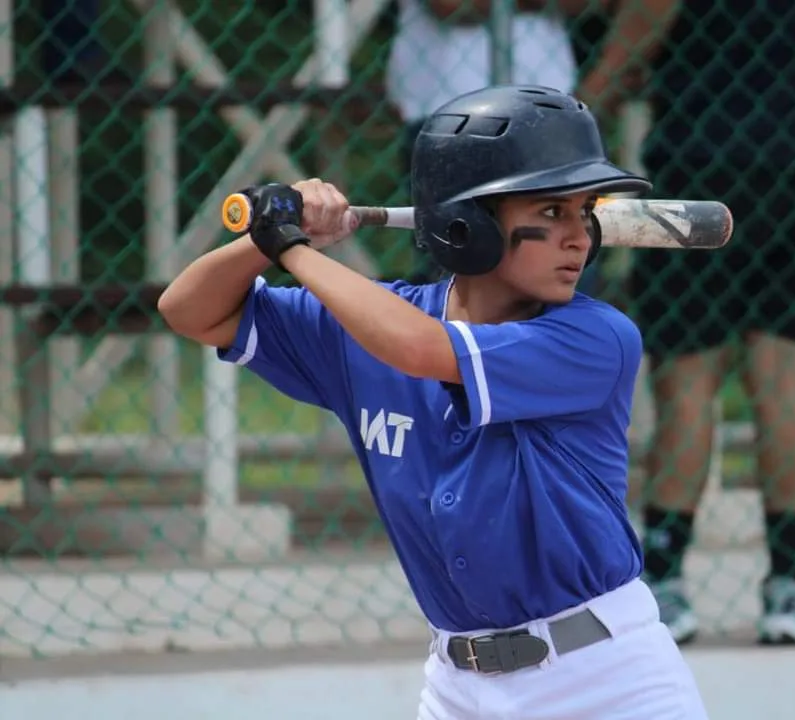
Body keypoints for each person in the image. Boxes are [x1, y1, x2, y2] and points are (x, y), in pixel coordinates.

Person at [157, 85, 709, 720]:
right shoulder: (360, 330)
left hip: (603, 680)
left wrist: (291, 246)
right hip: (458, 686)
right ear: (465, 224)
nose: (580, 236)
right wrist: (264, 239)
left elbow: (422, 349)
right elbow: (188, 309)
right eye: (552, 211)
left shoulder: (596, 338)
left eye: (585, 211)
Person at [579, 0, 795, 646]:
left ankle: (664, 582)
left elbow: (647, 17)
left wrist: (581, 115)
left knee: (689, 376)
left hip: (710, 154)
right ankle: (790, 583)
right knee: (790, 375)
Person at [386, 0, 604, 285]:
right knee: (461, 269)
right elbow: (450, 5)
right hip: (449, 114)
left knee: (566, 266)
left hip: (553, 108)